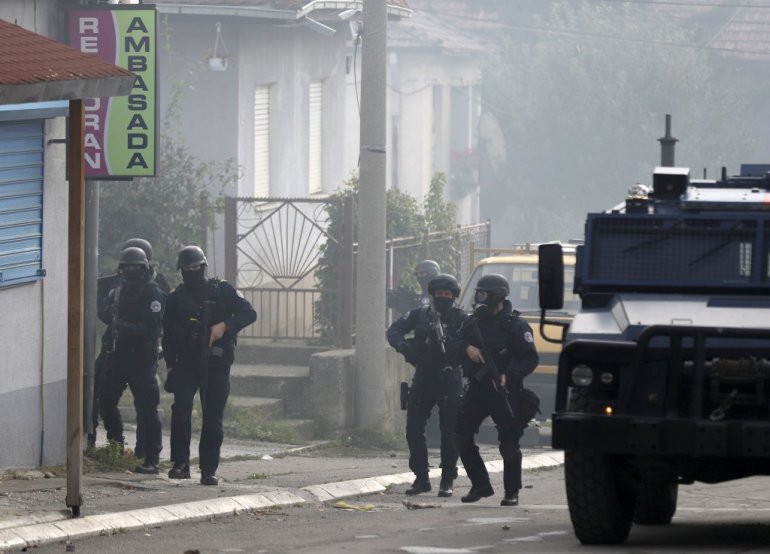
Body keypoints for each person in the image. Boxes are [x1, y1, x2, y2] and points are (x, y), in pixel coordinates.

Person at [162, 245, 257, 485]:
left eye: (195, 267)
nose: (192, 271)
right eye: (187, 268)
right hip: (186, 362)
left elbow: (249, 313)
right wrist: (171, 365)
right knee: (181, 410)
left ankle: (208, 470)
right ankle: (180, 464)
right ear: (181, 270)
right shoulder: (175, 298)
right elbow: (168, 335)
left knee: (212, 417)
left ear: (203, 267)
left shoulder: (221, 290)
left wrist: (224, 325)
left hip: (216, 362)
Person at [453, 273, 539, 506]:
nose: (481, 297)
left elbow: (530, 358)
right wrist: (467, 348)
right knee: (460, 435)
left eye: (485, 293)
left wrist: (508, 376)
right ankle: (480, 484)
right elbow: (454, 342)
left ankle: (512, 491)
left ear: (498, 296)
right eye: (479, 293)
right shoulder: (472, 322)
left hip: (505, 391)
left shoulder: (515, 325)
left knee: (509, 445)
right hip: (478, 389)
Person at [387, 273, 467, 497]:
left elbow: (471, 344)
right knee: (413, 428)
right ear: (432, 295)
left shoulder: (462, 319)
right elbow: (393, 331)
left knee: (449, 432)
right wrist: (404, 347)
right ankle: (421, 478)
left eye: (447, 294)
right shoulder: (419, 314)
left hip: (449, 378)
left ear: (453, 296)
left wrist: (453, 343)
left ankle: (447, 479)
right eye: (439, 293)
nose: (443, 297)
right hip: (424, 376)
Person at [89, 238, 170, 455]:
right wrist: (109, 314)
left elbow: (153, 326)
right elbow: (105, 311)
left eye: (135, 266)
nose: (130, 271)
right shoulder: (119, 286)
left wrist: (126, 327)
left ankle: (148, 455)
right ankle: (114, 444)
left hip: (142, 355)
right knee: (103, 398)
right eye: (127, 267)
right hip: (116, 352)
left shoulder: (154, 288)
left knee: (146, 408)